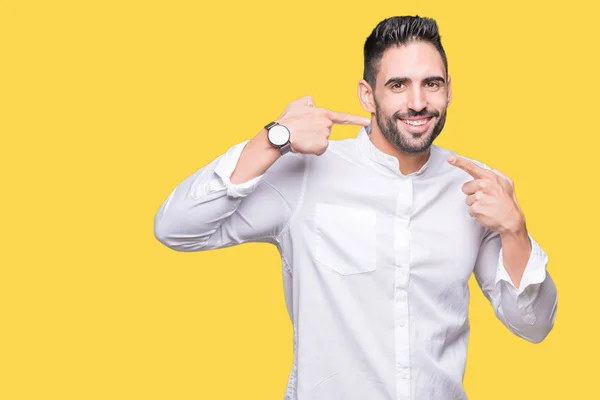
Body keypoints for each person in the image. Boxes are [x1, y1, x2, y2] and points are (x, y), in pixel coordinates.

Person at [153, 15, 558, 400]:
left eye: (431, 84)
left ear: (449, 89)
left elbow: (533, 326)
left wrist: (515, 232)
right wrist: (273, 139)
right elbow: (176, 228)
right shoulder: (307, 173)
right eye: (398, 85)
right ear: (368, 94)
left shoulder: (473, 186)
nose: (418, 103)